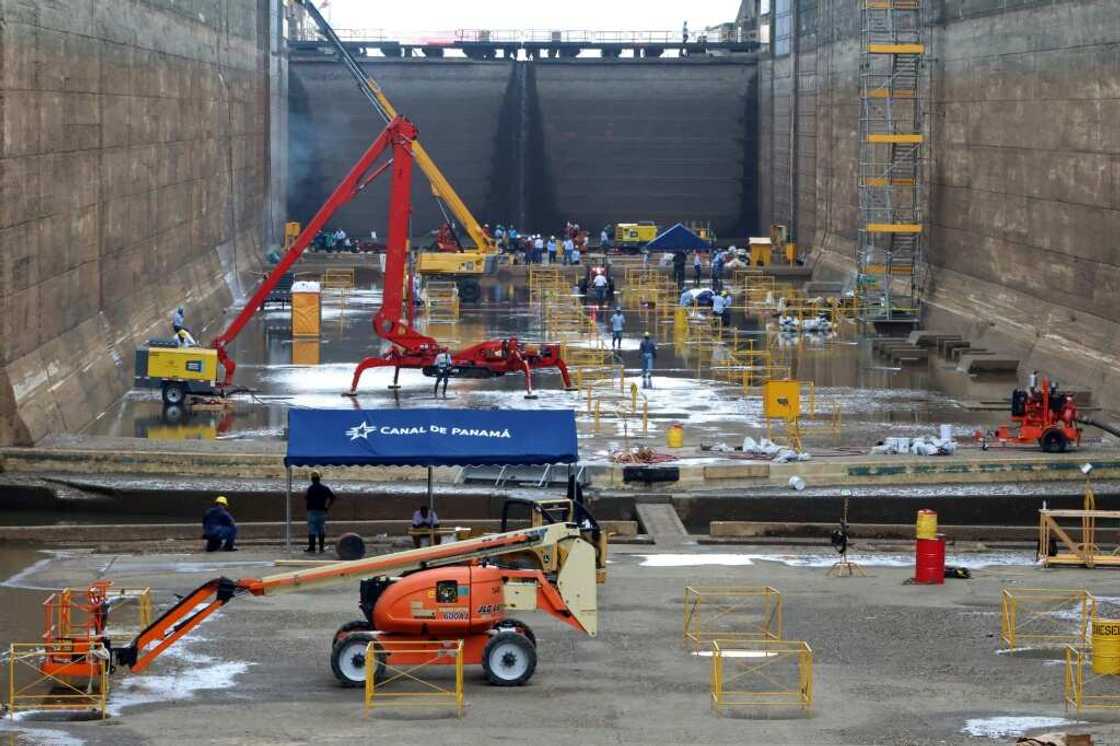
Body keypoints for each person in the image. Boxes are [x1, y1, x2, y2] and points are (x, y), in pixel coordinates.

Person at [304, 471, 335, 554]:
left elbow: (306, 498)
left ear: (312, 479)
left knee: (312, 529)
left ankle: (312, 548)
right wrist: (327, 506)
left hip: (312, 511)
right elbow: (333, 497)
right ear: (319, 479)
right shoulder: (325, 488)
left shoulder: (310, 488)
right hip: (322, 511)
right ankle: (321, 548)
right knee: (321, 529)